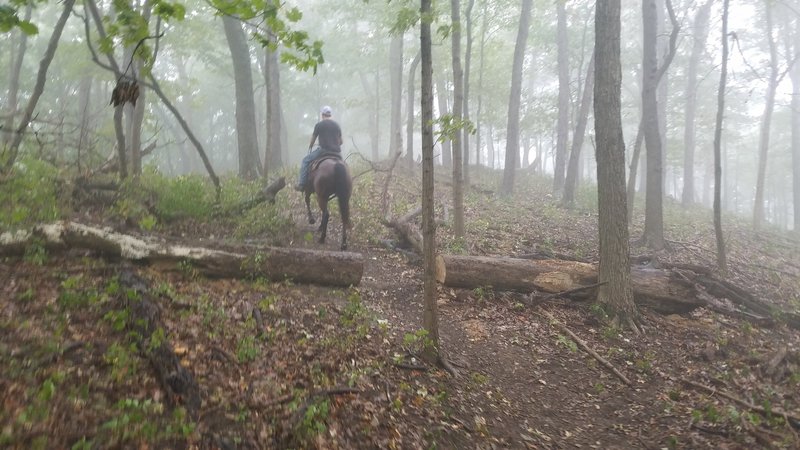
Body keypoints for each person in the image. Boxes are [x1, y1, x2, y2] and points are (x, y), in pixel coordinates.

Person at [295, 106, 343, 191]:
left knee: (305, 161)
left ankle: (302, 184)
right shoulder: (336, 125)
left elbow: (312, 141)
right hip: (336, 152)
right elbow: (341, 142)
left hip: (323, 151)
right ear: (330, 114)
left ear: (322, 115)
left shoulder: (319, 125)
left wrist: (311, 145)